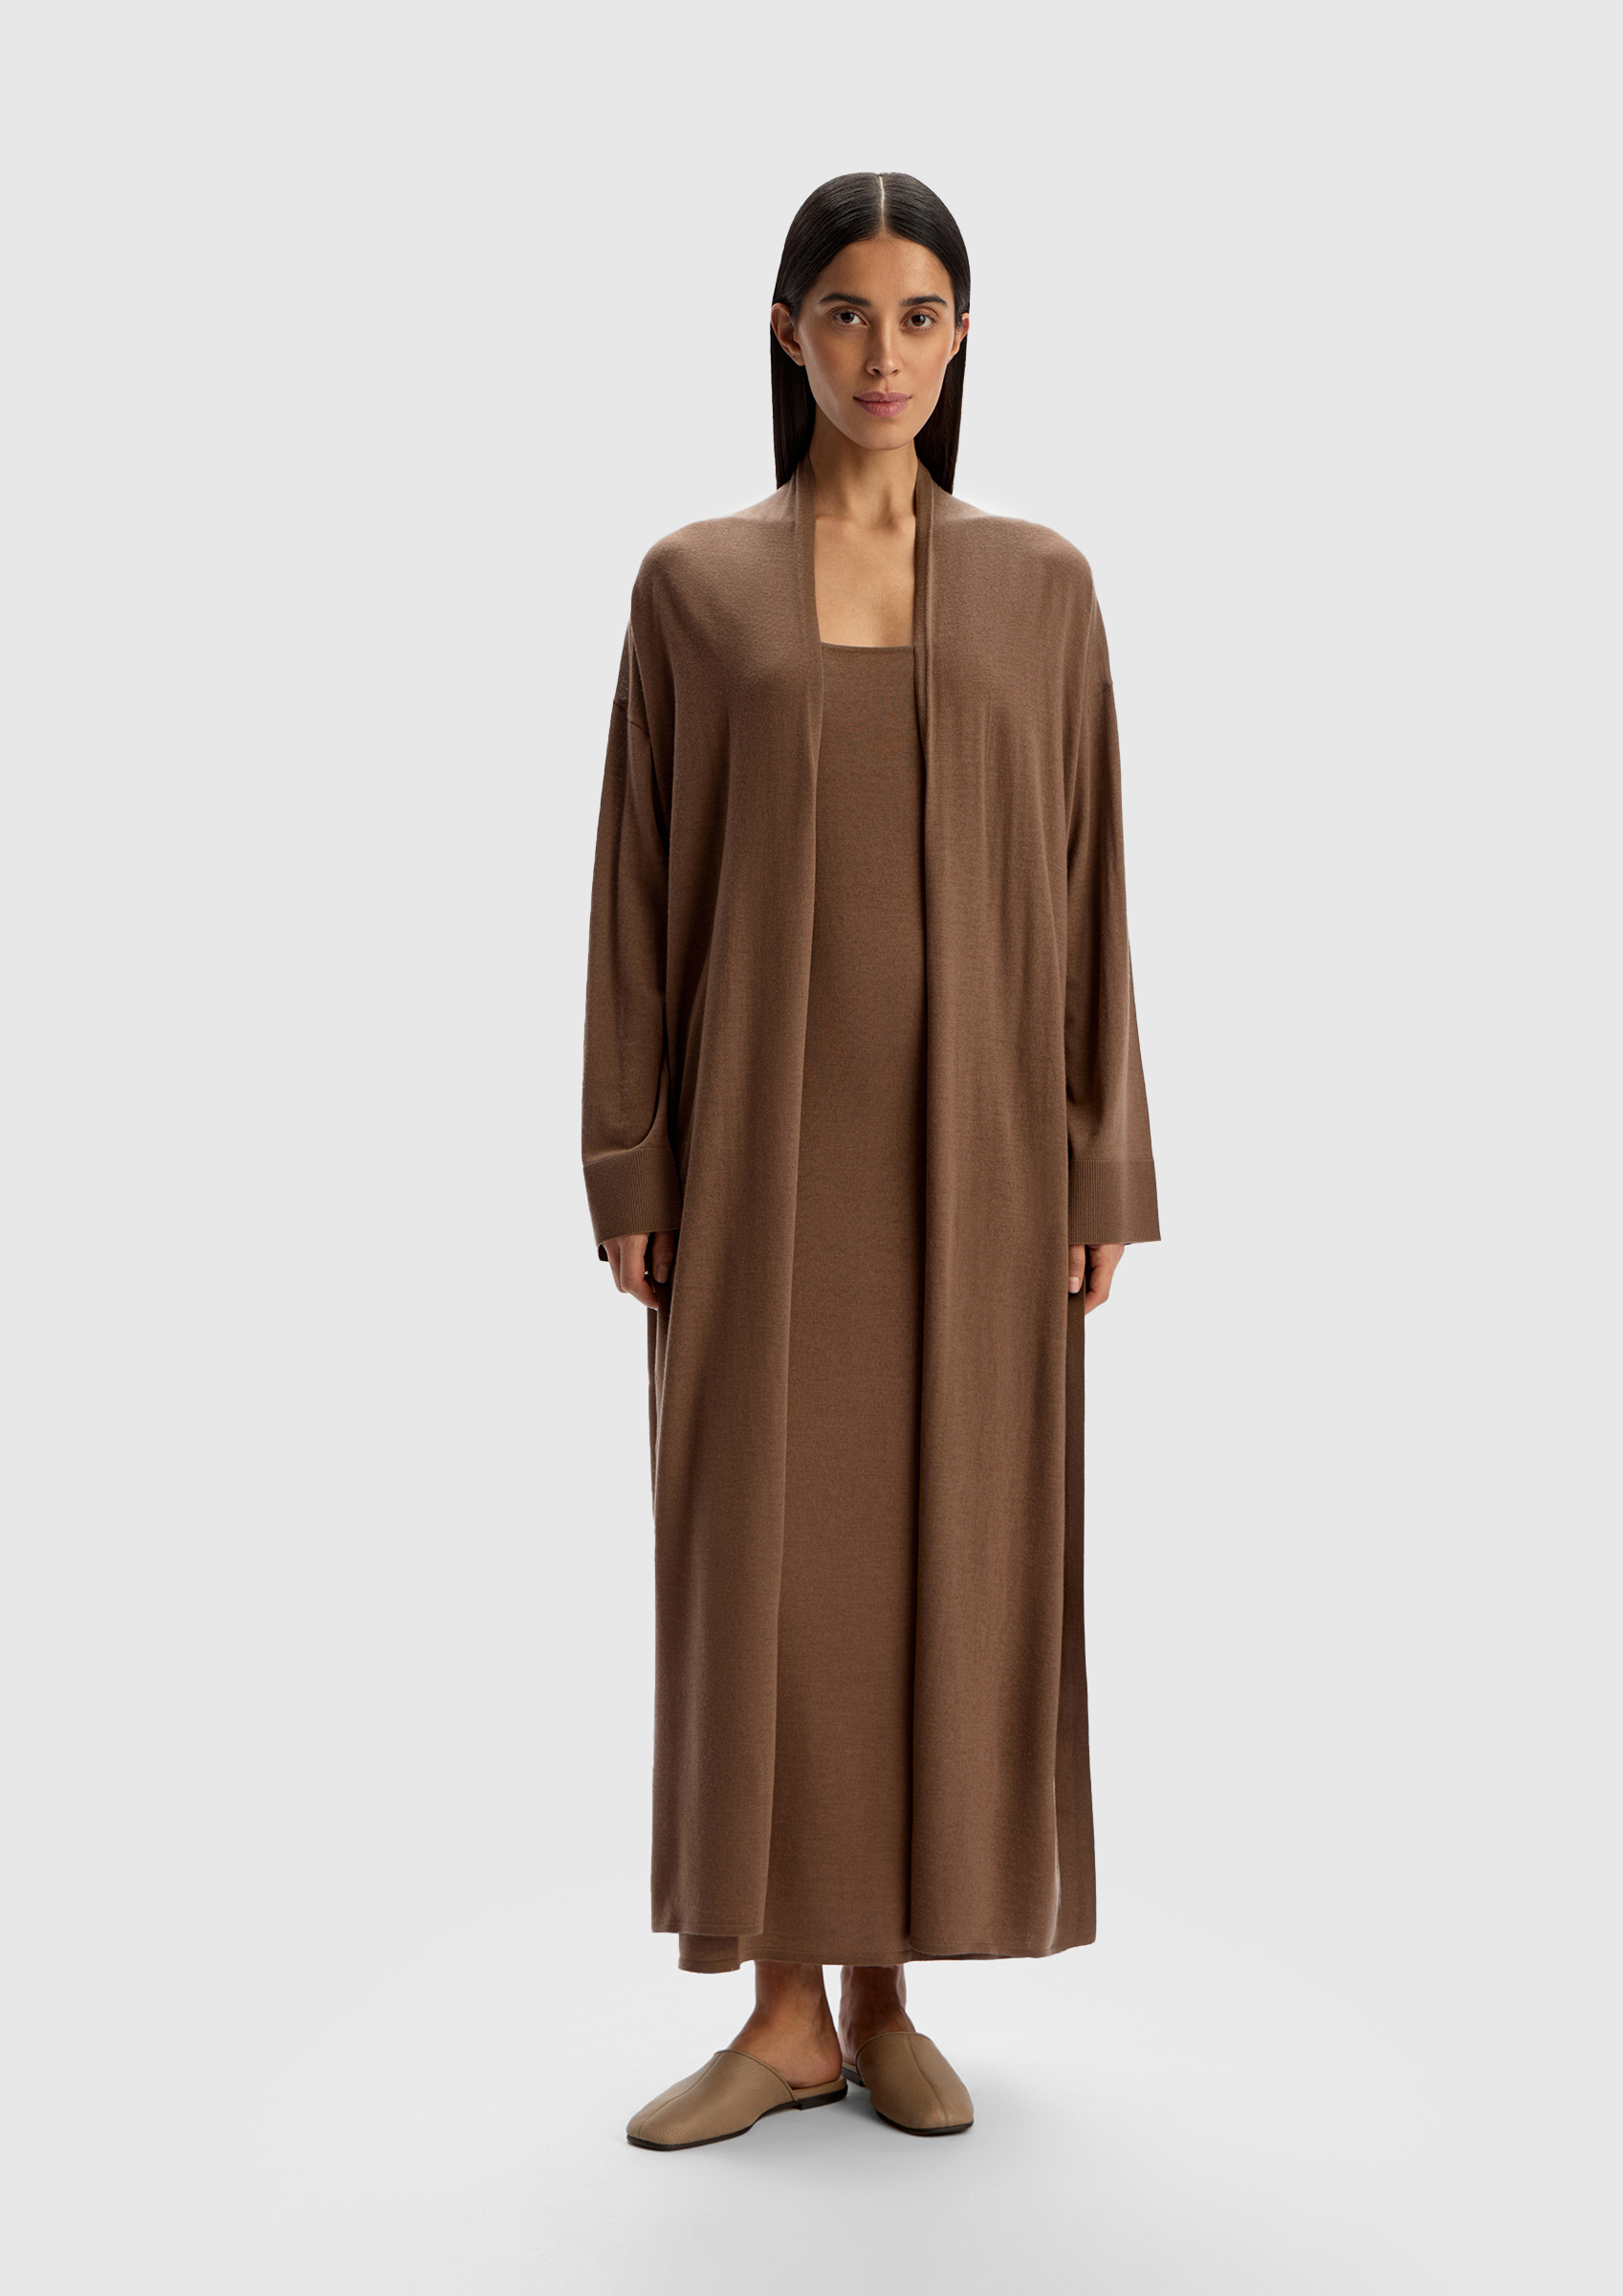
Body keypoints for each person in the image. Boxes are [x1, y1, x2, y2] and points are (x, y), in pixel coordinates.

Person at [581, 171, 1160, 2152]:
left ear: (964, 337)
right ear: (787, 333)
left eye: (920, 315)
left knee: (949, 1557)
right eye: (846, 312)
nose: (883, 352)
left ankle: (893, 1993)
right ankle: (781, 2012)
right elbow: (634, 890)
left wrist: (1099, 1166)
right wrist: (631, 1160)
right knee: (766, 1568)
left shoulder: (1044, 586)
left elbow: (1092, 883)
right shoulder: (693, 587)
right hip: (755, 1165)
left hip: (983, 1168)